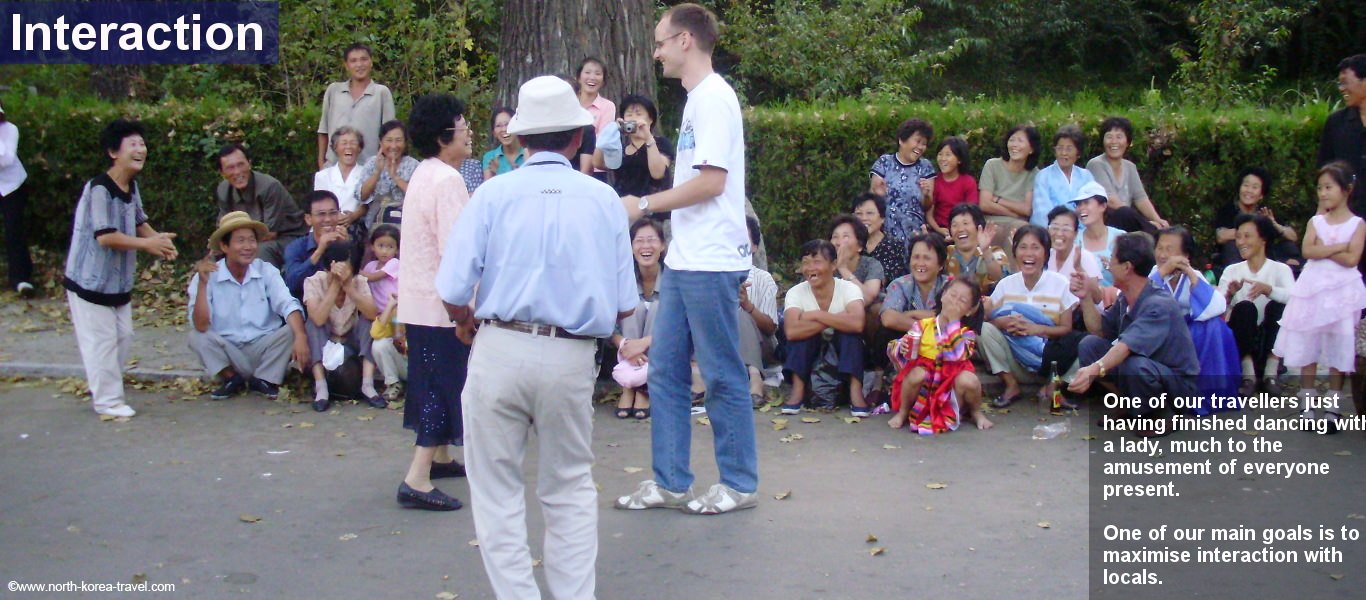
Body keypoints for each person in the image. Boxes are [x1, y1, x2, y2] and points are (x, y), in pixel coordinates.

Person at [436, 75, 636, 600]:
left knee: (496, 489)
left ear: (520, 139)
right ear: (576, 137)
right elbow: (624, 304)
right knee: (569, 486)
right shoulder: (603, 200)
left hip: (500, 344)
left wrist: (464, 318)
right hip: (571, 354)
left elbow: (454, 287)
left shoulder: (492, 194)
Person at [616, 3, 759, 516]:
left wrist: (645, 204)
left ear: (684, 41)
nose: (654, 52)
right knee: (666, 372)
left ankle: (739, 483)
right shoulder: (697, 100)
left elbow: (712, 182)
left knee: (721, 374)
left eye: (659, 42)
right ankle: (671, 481)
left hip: (713, 262)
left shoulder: (714, 100)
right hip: (685, 258)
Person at [63, 119, 179, 418]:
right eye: (133, 145)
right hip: (89, 283)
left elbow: (139, 221)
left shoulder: (131, 185)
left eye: (142, 144)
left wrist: (158, 240)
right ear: (114, 152)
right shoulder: (99, 189)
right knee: (101, 343)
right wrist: (147, 246)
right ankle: (108, 401)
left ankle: (105, 388)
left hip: (118, 284)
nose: (141, 149)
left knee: (123, 337)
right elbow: (105, 236)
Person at [393, 93, 475, 513]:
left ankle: (441, 457)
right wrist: (469, 305)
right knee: (442, 388)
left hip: (419, 300)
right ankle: (418, 475)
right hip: (442, 305)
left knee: (432, 380)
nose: (468, 130)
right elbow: (457, 251)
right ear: (445, 135)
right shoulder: (447, 181)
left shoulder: (425, 172)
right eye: (462, 123)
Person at [1070, 233, 1199, 437]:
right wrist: (1085, 296)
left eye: (1112, 259)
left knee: (1134, 364)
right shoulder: (1126, 298)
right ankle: (1127, 403)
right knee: (1090, 345)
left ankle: (1164, 415)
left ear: (1127, 267)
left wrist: (1094, 369)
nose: (1108, 264)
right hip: (1146, 366)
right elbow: (1100, 330)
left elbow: (1125, 346)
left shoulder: (1157, 304)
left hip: (1177, 384)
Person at [1273, 162, 1366, 433]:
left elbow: (1352, 259)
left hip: (1342, 290)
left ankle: (1333, 406)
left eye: (1329, 187)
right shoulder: (1316, 221)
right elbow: (1308, 250)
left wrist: (1324, 249)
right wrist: (1336, 246)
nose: (1323, 193)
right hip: (1313, 287)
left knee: (1339, 345)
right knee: (1308, 344)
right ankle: (1306, 403)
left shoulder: (1358, 224)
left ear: (1346, 190)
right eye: (1320, 188)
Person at [188, 212, 310, 401]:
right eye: (240, 241)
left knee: (294, 327)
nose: (248, 247)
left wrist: (301, 336)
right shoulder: (207, 276)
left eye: (251, 240)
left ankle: (264, 379)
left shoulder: (266, 270)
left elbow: (287, 303)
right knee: (196, 336)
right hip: (228, 350)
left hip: (263, 348)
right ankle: (231, 378)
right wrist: (203, 284)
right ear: (224, 246)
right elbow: (201, 325)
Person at [980, 225, 1080, 409]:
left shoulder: (1060, 284)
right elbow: (988, 319)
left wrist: (1037, 329)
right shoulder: (1005, 285)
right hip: (1015, 362)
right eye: (1023, 247)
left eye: (1035, 247)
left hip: (1053, 362)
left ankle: (1053, 387)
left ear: (1045, 253)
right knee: (984, 330)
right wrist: (1001, 322)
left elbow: (1067, 329)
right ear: (1015, 251)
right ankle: (1011, 385)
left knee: (1087, 345)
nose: (1029, 254)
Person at [1149, 226, 1240, 414]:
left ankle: (1210, 395)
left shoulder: (1195, 275)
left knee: (1215, 327)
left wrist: (1190, 275)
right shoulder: (1153, 273)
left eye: (1170, 249)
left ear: (1185, 255)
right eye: (1160, 248)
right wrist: (1163, 271)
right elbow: (1143, 300)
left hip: (1188, 332)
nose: (1163, 254)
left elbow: (1216, 307)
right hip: (1158, 332)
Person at [886, 277, 993, 433]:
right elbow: (902, 353)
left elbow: (956, 355)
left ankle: (976, 412)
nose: (954, 302)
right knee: (916, 374)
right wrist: (902, 348)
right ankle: (903, 412)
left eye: (962, 300)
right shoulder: (922, 325)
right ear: (943, 295)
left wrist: (954, 322)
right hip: (925, 383)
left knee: (969, 380)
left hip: (950, 384)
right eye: (952, 295)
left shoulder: (967, 333)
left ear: (970, 310)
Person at [779, 240, 867, 415]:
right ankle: (797, 391)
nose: (810, 268)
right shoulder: (796, 292)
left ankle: (856, 393)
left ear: (833, 265)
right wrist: (838, 317)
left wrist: (817, 315)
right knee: (801, 338)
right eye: (805, 263)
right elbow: (791, 331)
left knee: (850, 336)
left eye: (817, 262)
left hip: (839, 346)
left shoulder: (849, 289)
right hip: (811, 346)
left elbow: (857, 323)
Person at [1217, 214, 1294, 395]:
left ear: (1263, 239)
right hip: (1243, 339)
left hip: (1270, 338)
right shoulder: (1232, 270)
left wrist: (1269, 290)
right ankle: (1248, 374)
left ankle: (1271, 372)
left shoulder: (1280, 269)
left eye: (1247, 236)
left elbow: (1295, 297)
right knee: (1245, 307)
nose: (1241, 242)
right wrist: (1229, 294)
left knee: (1279, 306)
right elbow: (1217, 304)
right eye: (1238, 237)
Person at [302, 240, 380, 411]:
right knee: (313, 324)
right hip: (326, 340)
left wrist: (350, 288)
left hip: (350, 339)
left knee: (368, 321)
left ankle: (368, 385)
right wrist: (335, 286)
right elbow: (318, 319)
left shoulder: (359, 282)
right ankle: (321, 387)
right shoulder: (313, 282)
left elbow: (373, 314)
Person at [214, 143, 307, 268]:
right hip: (246, 240)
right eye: (230, 168)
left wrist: (238, 246)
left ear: (249, 163)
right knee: (213, 256)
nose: (237, 172)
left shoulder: (269, 186)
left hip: (287, 238)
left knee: (260, 251)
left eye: (241, 164)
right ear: (222, 172)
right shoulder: (224, 190)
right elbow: (224, 227)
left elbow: (269, 233)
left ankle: (266, 286)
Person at [612, 218, 665, 420]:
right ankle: (628, 385)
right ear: (631, 246)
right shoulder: (621, 280)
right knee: (632, 306)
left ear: (662, 245)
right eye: (639, 241)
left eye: (651, 240)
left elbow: (680, 326)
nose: (645, 246)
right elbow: (608, 325)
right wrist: (626, 346)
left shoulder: (673, 279)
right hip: (625, 352)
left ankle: (643, 387)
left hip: (662, 352)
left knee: (657, 308)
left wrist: (643, 344)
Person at [317, 43, 395, 169]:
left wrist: (382, 168)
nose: (359, 65)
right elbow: (323, 130)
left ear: (371, 62)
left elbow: (389, 135)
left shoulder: (381, 93)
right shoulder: (334, 90)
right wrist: (321, 163)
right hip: (333, 167)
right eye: (353, 61)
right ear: (346, 65)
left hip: (367, 169)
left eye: (364, 59)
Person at [1085, 116, 1167, 234]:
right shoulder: (1096, 164)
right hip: (1107, 220)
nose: (1114, 142)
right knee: (1124, 213)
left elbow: (1140, 198)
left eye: (1119, 137)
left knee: (1162, 227)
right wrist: (1146, 223)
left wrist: (1157, 220)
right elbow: (1111, 201)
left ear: (1127, 142)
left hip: (1128, 221)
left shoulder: (1130, 167)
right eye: (1109, 137)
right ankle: (1154, 232)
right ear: (1103, 141)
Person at [1211, 167, 1301, 274]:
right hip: (1237, 256)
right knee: (1233, 245)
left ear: (1261, 195)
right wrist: (1252, 233)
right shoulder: (1228, 209)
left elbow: (1293, 236)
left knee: (1288, 247)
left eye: (1254, 187)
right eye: (1246, 185)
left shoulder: (1264, 211)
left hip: (1265, 257)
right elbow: (1221, 236)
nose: (1249, 190)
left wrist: (1274, 224)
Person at [979, 125, 1040, 260]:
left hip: (1017, 224)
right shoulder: (992, 165)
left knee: (1021, 233)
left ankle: (1018, 278)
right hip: (991, 222)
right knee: (992, 233)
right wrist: (1014, 212)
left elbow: (1026, 209)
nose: (1015, 145)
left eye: (1020, 141)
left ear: (1031, 149)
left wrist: (998, 199)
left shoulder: (1034, 173)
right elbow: (984, 204)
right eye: (1012, 140)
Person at [869, 118, 936, 240]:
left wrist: (926, 195)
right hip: (885, 236)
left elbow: (927, 207)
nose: (920, 147)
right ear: (901, 140)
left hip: (915, 236)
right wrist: (879, 195)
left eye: (924, 144)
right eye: (917, 141)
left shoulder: (925, 167)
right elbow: (872, 199)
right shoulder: (884, 163)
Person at [362, 224, 405, 402]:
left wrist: (355, 273)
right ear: (372, 247)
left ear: (397, 249)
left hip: (396, 311)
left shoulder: (395, 264)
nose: (385, 251)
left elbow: (373, 278)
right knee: (379, 342)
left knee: (398, 341)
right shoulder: (371, 265)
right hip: (379, 314)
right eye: (380, 246)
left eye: (390, 246)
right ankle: (393, 382)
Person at [283, 191, 353, 299]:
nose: (328, 219)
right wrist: (319, 251)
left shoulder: (347, 240)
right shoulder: (295, 247)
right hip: (307, 308)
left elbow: (359, 280)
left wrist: (347, 248)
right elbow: (291, 284)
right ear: (308, 219)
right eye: (321, 214)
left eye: (333, 213)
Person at [1319, 55, 1366, 212]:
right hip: (1346, 216)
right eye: (1340, 84)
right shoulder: (1336, 123)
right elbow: (1325, 170)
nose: (1342, 89)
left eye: (1346, 83)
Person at [356, 120, 421, 229]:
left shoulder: (414, 165)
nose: (393, 146)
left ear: (405, 143)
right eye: (389, 140)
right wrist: (377, 173)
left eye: (398, 140)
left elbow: (418, 196)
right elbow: (362, 195)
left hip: (406, 223)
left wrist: (395, 177)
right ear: (381, 143)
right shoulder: (372, 163)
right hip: (375, 222)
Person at [608, 94, 675, 197]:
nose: (634, 119)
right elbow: (599, 164)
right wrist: (611, 133)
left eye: (638, 114)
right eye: (629, 115)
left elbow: (658, 173)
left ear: (650, 119)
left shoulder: (661, 143)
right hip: (623, 207)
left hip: (653, 207)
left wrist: (647, 137)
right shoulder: (620, 148)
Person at [1031, 124, 1096, 228]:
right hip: (1052, 231)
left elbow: (1092, 208)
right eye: (1060, 148)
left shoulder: (1086, 176)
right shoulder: (1043, 176)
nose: (1063, 153)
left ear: (1078, 153)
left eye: (1069, 149)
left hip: (1082, 231)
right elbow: (1041, 213)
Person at [0, 101, 33, 296]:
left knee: (14, 230)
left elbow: (6, 159)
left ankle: (21, 279)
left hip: (13, 186)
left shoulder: (10, 130)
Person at [944, 203, 1008, 292]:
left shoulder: (994, 252)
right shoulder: (945, 253)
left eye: (965, 223)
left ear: (979, 227)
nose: (960, 229)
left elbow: (1001, 279)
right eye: (955, 225)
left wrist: (985, 251)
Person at [1073, 182, 1126, 286]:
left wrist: (1112, 268)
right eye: (1078, 204)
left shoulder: (1120, 237)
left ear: (1103, 206)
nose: (1081, 208)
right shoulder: (1074, 240)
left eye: (1086, 202)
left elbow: (1130, 274)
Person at [315, 126, 367, 227]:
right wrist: (335, 216)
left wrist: (353, 216)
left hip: (356, 226)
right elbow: (319, 204)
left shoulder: (366, 174)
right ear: (335, 148)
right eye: (344, 143)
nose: (348, 147)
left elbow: (368, 204)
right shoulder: (322, 176)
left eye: (353, 143)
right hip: (326, 225)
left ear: (359, 148)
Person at [926, 136, 978, 237]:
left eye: (948, 155)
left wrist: (957, 231)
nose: (943, 159)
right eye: (940, 154)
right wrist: (939, 230)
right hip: (938, 230)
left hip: (962, 230)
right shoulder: (935, 181)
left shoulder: (968, 182)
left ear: (959, 160)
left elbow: (971, 213)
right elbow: (929, 214)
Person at [852, 192, 908, 283]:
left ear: (882, 218)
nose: (864, 218)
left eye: (870, 213)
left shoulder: (894, 246)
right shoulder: (848, 244)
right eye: (859, 214)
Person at [829, 214, 884, 305]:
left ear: (860, 246)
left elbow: (867, 298)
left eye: (845, 236)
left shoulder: (871, 264)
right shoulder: (824, 265)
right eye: (835, 237)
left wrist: (843, 269)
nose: (838, 243)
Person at [481, 107, 525, 181]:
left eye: (507, 124)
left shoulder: (528, 154)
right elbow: (489, 189)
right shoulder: (490, 157)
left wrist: (499, 172)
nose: (504, 129)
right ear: (494, 133)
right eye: (498, 126)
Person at [577, 57, 617, 135]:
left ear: (603, 81)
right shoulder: (569, 102)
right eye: (587, 72)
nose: (592, 78)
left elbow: (603, 139)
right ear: (578, 77)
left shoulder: (607, 106)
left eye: (598, 74)